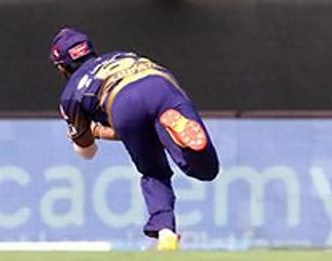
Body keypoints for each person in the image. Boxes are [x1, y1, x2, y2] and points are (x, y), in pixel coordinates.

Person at [50, 27, 219, 251]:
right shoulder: (121, 55)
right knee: (206, 170)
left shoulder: (71, 93)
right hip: (161, 85)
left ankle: (165, 231)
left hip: (121, 102)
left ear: (61, 67)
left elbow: (87, 151)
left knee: (154, 172)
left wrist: (93, 132)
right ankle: (176, 127)